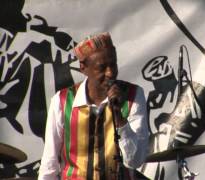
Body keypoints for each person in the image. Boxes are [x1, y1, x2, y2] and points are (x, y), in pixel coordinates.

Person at [38, 32, 149, 180]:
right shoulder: (62, 101)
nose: (110, 72)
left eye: (113, 64)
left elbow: (135, 161)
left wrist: (119, 117)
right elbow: (49, 164)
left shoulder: (133, 96)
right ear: (83, 68)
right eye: (102, 67)